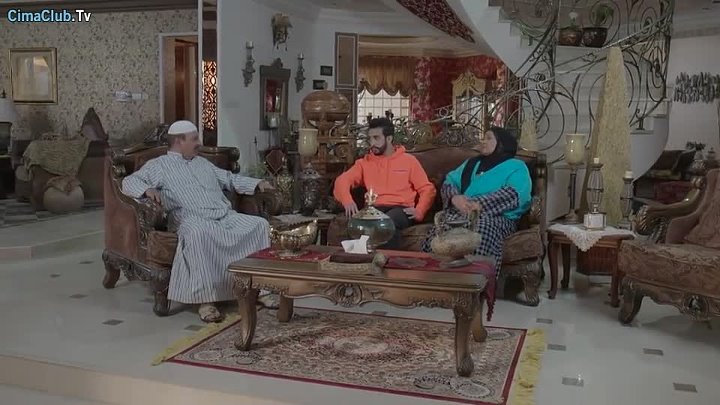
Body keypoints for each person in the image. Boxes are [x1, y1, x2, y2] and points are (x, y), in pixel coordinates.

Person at [121, 120, 274, 323]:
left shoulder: (203, 163)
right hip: (190, 218)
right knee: (198, 233)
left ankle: (260, 290)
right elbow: (128, 181)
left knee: (259, 226)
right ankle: (206, 302)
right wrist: (147, 190)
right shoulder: (159, 165)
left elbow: (229, 179)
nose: (199, 143)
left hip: (223, 216)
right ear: (179, 141)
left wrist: (257, 183)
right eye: (194, 139)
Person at [421, 126, 532, 270]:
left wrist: (477, 204)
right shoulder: (472, 163)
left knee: (480, 230)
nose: (483, 141)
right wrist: (455, 198)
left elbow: (515, 193)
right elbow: (450, 181)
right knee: (441, 229)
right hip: (460, 213)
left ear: (502, 143)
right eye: (483, 138)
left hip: (496, 217)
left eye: (488, 138)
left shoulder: (516, 166)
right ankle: (436, 277)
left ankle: (477, 278)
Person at [333, 118, 436, 249]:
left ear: (389, 138)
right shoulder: (364, 163)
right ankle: (360, 259)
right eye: (370, 138)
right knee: (360, 224)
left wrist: (420, 211)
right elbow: (342, 181)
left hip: (400, 209)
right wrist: (347, 200)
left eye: (376, 138)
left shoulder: (409, 161)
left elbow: (427, 189)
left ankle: (388, 259)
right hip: (374, 208)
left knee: (386, 223)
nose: (372, 143)